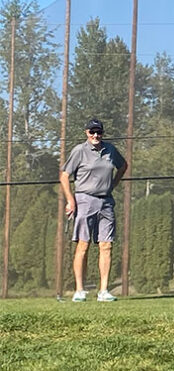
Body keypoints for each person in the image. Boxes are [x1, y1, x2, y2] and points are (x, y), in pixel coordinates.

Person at [59, 118, 127, 302]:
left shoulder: (110, 150)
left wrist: (113, 185)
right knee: (84, 245)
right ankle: (79, 290)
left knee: (106, 245)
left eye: (99, 132)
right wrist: (70, 200)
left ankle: (103, 291)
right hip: (84, 201)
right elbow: (64, 176)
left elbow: (123, 166)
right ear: (86, 133)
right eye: (92, 132)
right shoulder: (79, 151)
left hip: (106, 202)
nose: (96, 135)